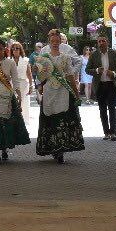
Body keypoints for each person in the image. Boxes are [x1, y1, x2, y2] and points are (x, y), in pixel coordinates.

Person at [34, 29, 85, 164]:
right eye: (53, 41)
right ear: (49, 42)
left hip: (63, 90)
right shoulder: (44, 55)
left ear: (60, 41)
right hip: (49, 90)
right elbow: (40, 75)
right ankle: (53, 147)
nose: (55, 43)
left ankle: (61, 149)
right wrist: (39, 82)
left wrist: (76, 92)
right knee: (51, 118)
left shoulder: (66, 56)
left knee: (63, 117)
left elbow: (70, 75)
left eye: (57, 41)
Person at [86, 35, 116, 140]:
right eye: (99, 41)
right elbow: (87, 70)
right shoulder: (94, 55)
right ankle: (106, 133)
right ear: (97, 43)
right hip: (100, 85)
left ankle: (113, 133)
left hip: (112, 84)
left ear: (107, 42)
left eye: (103, 41)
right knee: (102, 109)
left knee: (112, 108)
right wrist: (96, 70)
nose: (101, 43)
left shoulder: (114, 53)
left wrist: (114, 73)